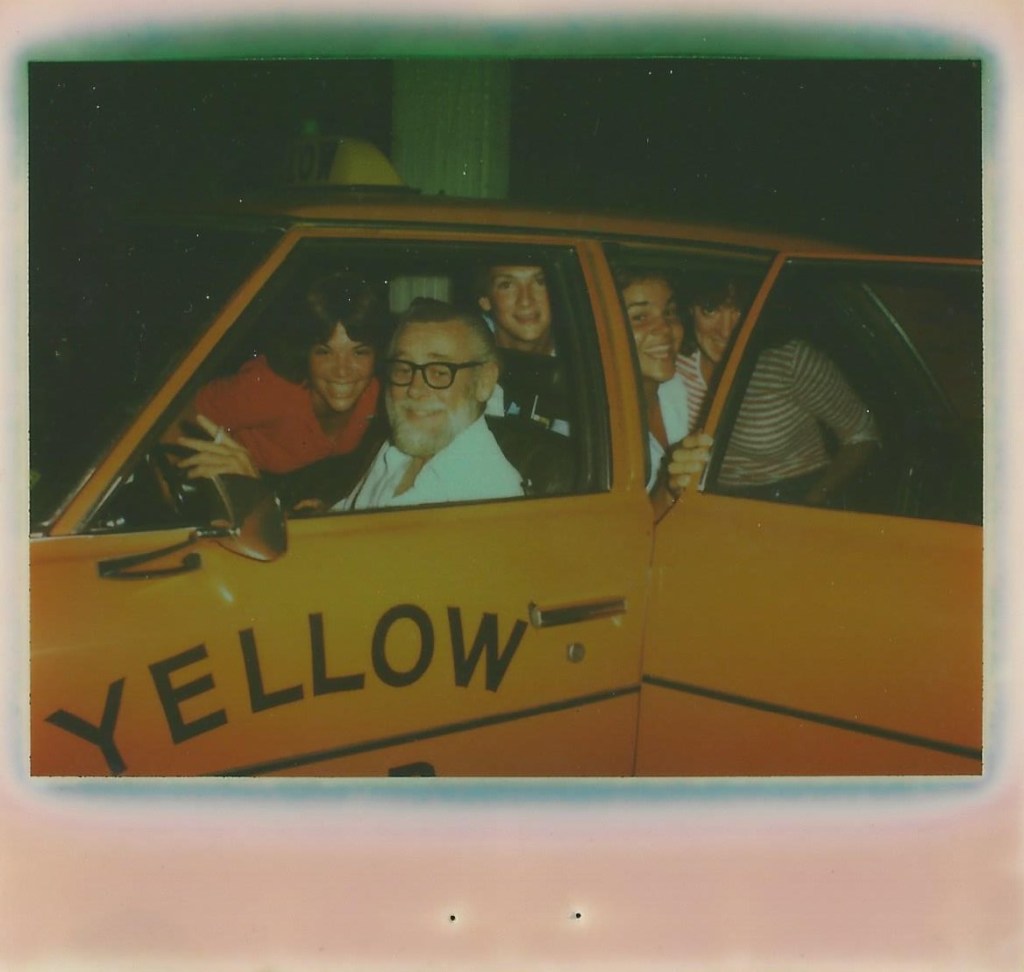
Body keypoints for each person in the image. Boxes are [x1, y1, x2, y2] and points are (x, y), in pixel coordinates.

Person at [180, 299, 525, 510]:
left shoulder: (487, 493)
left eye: (439, 371)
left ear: (484, 382)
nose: (415, 388)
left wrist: (254, 498)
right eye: (403, 368)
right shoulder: (399, 449)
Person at [675, 271, 880, 506]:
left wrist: (814, 499)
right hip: (709, 503)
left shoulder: (790, 361)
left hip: (791, 496)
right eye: (710, 310)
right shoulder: (675, 367)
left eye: (740, 310)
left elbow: (862, 435)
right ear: (690, 309)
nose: (726, 330)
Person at [189, 271, 392, 474]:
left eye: (359, 352)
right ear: (305, 354)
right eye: (324, 352)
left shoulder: (378, 393)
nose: (342, 371)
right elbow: (183, 414)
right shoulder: (269, 388)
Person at [615, 268, 690, 504]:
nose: (665, 328)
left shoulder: (676, 387)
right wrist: (667, 488)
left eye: (669, 312)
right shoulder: (588, 430)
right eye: (640, 317)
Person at [474, 263, 570, 435]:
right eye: (507, 285)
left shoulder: (584, 359)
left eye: (540, 282)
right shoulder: (465, 356)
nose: (526, 301)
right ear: (486, 300)